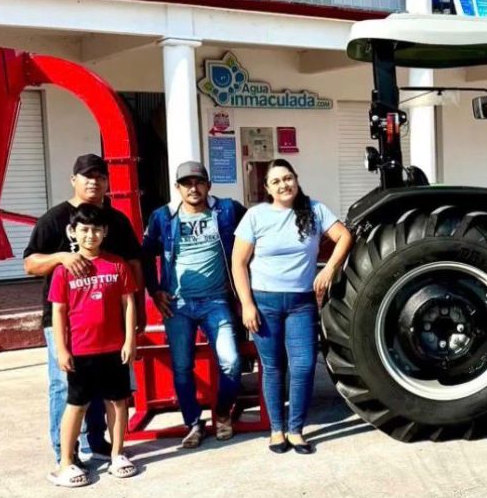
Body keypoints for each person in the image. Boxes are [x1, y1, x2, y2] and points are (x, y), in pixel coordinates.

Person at [24, 154, 143, 467]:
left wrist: (138, 314)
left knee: (106, 387)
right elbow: (30, 263)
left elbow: (133, 264)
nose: (94, 182)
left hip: (109, 322)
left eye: (100, 176)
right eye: (86, 176)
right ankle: (65, 452)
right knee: (64, 383)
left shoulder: (116, 221)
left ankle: (98, 443)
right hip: (62, 319)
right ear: (73, 180)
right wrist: (61, 258)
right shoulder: (54, 219)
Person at [231, 160, 353, 455]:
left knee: (304, 365)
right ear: (267, 188)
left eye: (288, 178)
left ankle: (296, 430)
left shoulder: (314, 210)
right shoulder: (256, 216)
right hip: (264, 303)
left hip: (301, 303)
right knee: (273, 368)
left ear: (296, 179)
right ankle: (277, 430)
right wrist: (247, 305)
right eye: (276, 181)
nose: (284, 185)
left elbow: (344, 237)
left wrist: (328, 270)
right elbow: (238, 262)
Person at [142, 161, 247, 449]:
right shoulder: (163, 217)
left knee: (232, 362)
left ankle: (223, 413)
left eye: (198, 182)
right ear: (177, 188)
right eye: (186, 183)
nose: (193, 188)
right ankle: (193, 423)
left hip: (217, 301)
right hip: (178, 305)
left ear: (208, 185)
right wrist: (155, 290)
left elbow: (254, 237)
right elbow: (145, 254)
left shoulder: (227, 211)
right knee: (182, 367)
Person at [47, 204, 139, 487]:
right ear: (73, 232)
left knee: (118, 401)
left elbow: (128, 304)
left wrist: (130, 340)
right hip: (81, 351)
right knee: (76, 405)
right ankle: (65, 463)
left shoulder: (117, 264)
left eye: (96, 229)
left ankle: (117, 454)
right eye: (84, 230)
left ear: (105, 232)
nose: (91, 235)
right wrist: (62, 350)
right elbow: (59, 312)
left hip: (114, 349)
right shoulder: (64, 271)